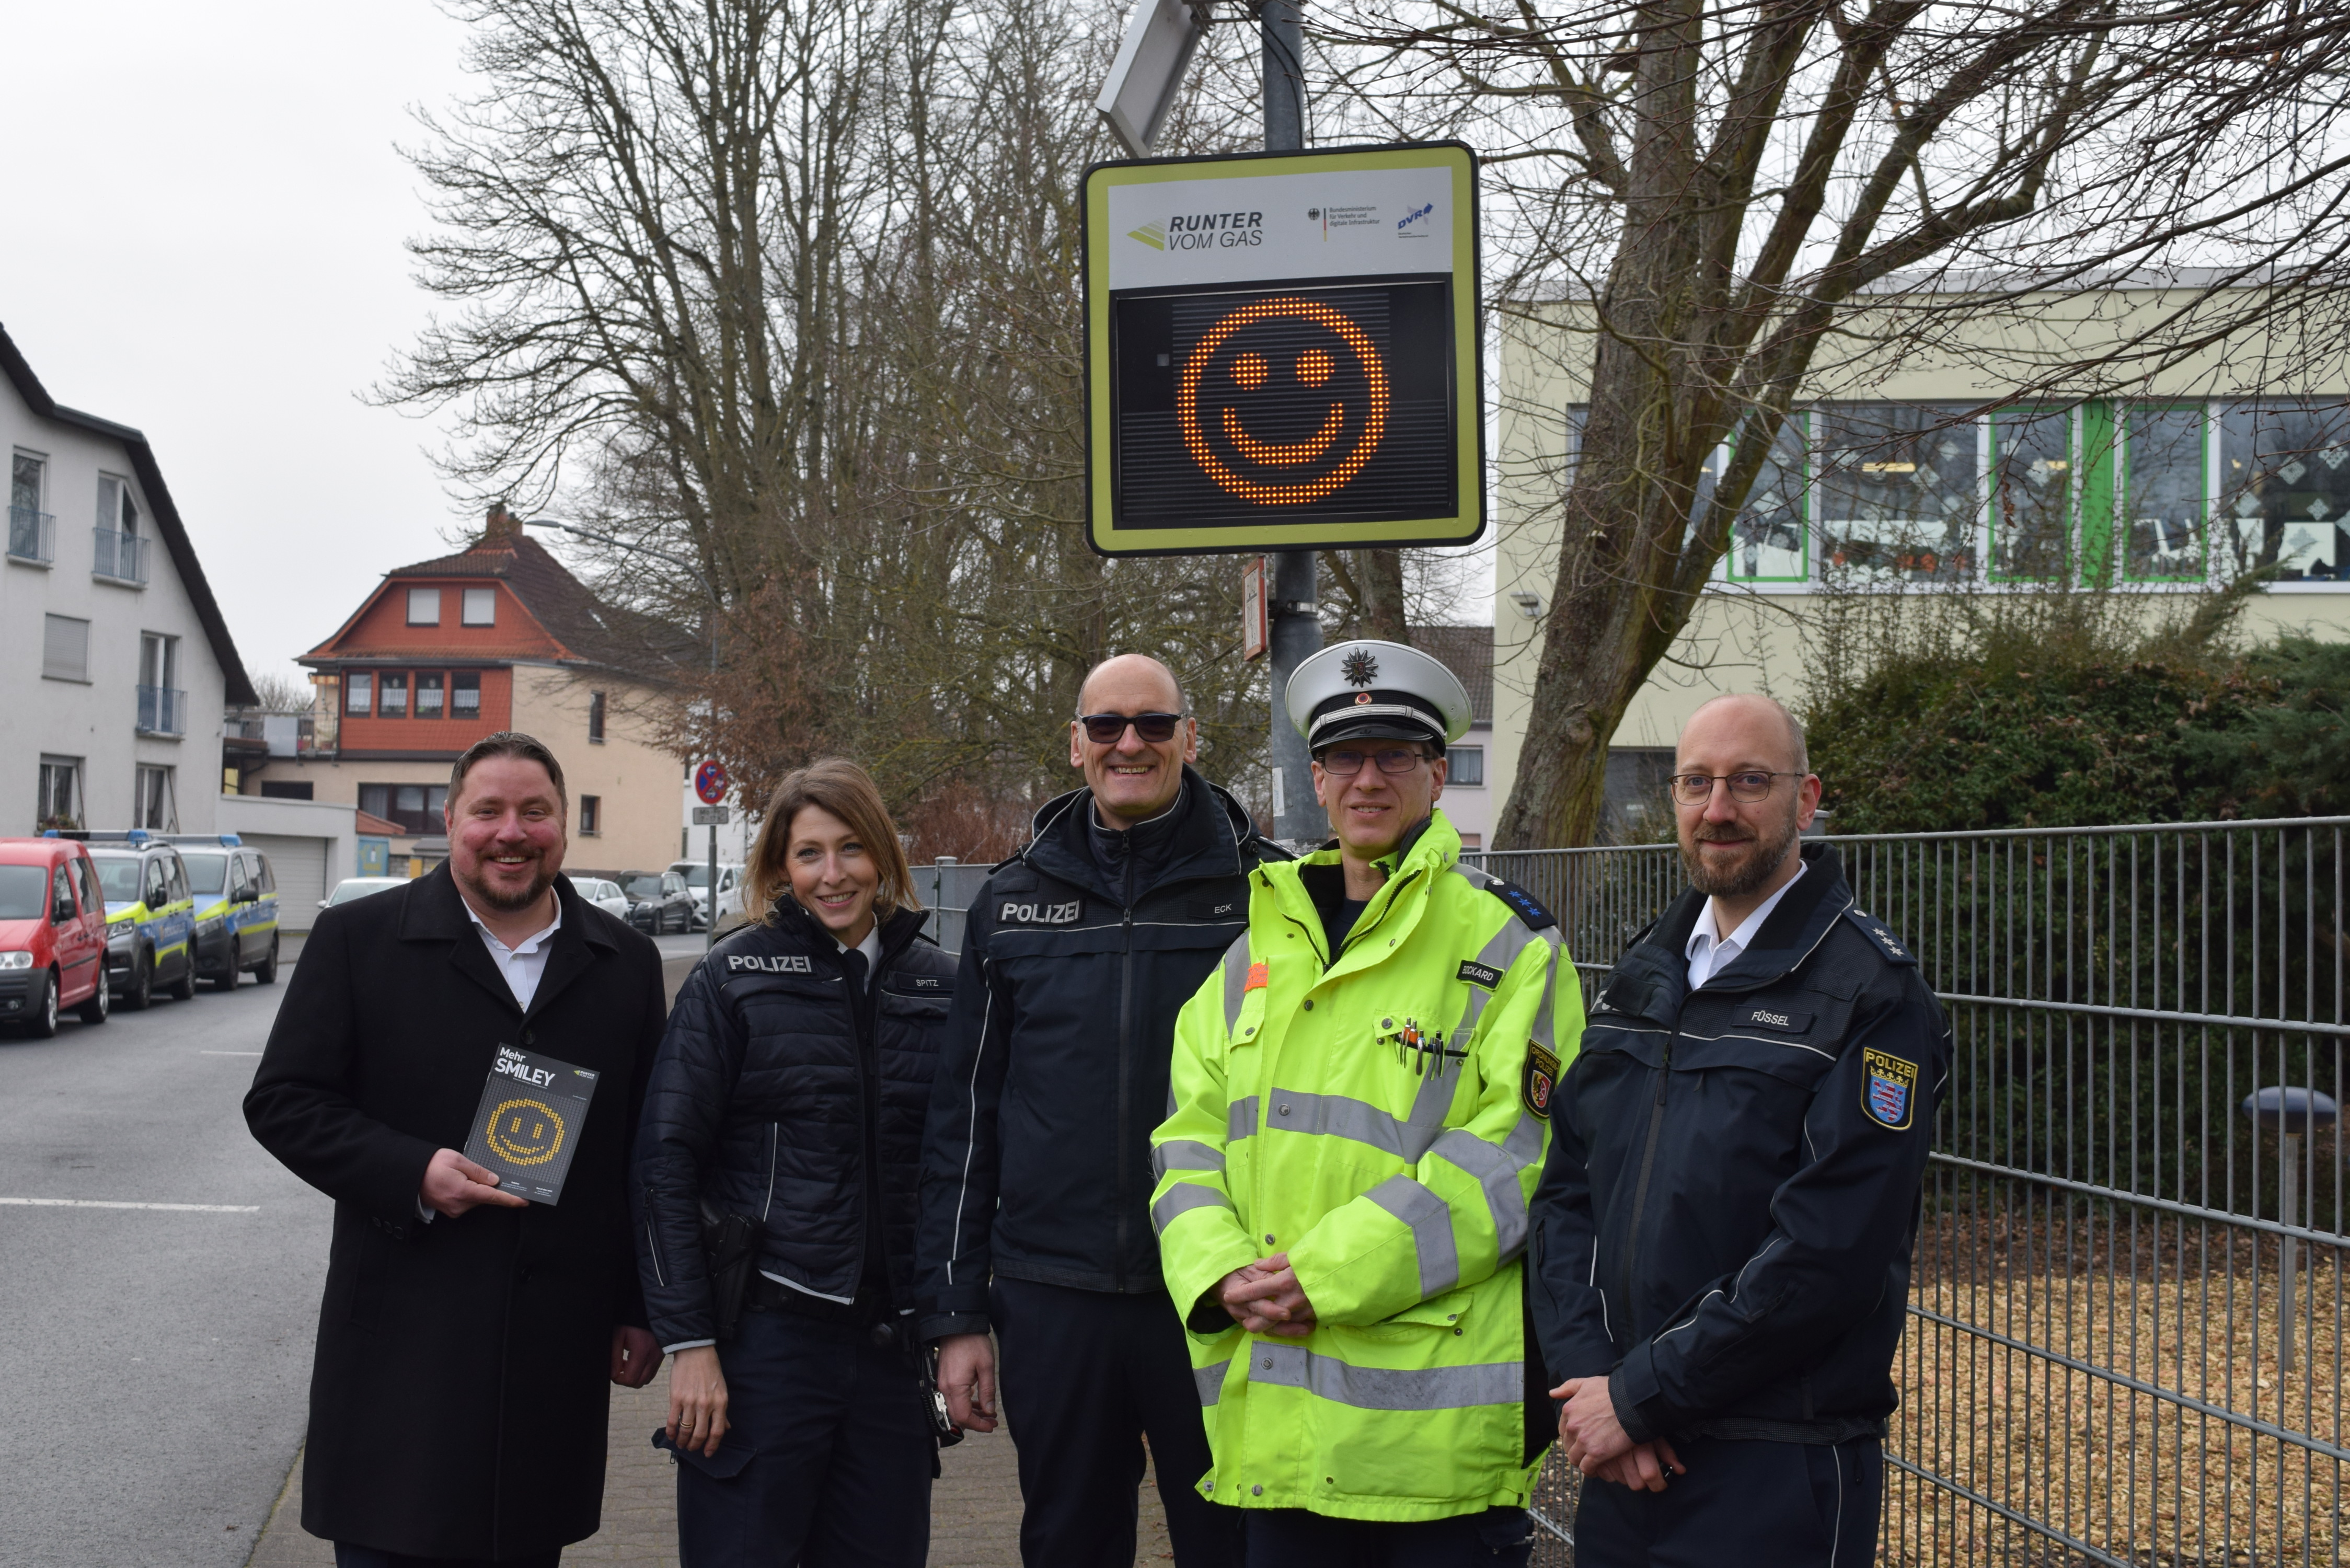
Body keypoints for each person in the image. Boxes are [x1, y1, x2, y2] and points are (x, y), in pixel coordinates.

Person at [1149, 638, 1581, 1567]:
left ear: (1437, 776)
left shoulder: (1511, 947)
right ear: (1317, 777)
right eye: (1346, 757)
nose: (1369, 779)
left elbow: (1515, 1157)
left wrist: (1326, 1276)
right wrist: (1220, 1273)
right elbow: (1184, 1141)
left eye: (1396, 757)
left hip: (1431, 1459)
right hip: (1279, 1437)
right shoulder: (1253, 955)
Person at [1528, 694, 1952, 1566]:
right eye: (1697, 783)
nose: (1718, 810)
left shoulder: (1869, 993)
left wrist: (1642, 1397)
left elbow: (1828, 1252)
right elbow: (1566, 1194)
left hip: (1775, 1466)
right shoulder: (1643, 975)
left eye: (1749, 782)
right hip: (1622, 1463)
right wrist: (1593, 1387)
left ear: (1805, 799)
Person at [245, 732, 668, 1568]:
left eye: (535, 811)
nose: (512, 832)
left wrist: (640, 1306)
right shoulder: (359, 942)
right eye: (489, 811)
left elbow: (646, 1152)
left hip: (551, 1362)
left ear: (562, 828)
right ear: (451, 821)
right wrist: (413, 1172)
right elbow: (284, 1103)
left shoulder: (625, 963)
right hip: (404, 1355)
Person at [917, 653, 1286, 1568]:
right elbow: (966, 1124)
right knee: (1069, 1544)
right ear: (1076, 744)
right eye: (1110, 725)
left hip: (1219, 1293)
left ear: (1191, 739)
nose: (1132, 743)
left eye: (1154, 725)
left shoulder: (1270, 897)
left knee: (1234, 1545)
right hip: (1053, 1298)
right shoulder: (1010, 903)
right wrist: (958, 1316)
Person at [635, 758, 955, 1567]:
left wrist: (961, 1326)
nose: (833, 874)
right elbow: (664, 1163)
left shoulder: (944, 986)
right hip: (762, 1351)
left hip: (890, 1354)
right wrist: (690, 1346)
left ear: (883, 855)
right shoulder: (732, 978)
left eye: (851, 849)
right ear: (780, 865)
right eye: (809, 853)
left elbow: (963, 1174)